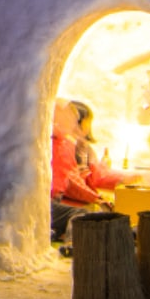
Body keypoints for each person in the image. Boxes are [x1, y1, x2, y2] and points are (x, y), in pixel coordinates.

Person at [50, 99, 107, 243]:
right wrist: (95, 198)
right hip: (51, 200)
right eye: (71, 119)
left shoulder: (63, 144)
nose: (73, 124)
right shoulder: (61, 145)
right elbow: (70, 180)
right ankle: (72, 245)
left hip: (55, 199)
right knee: (81, 214)